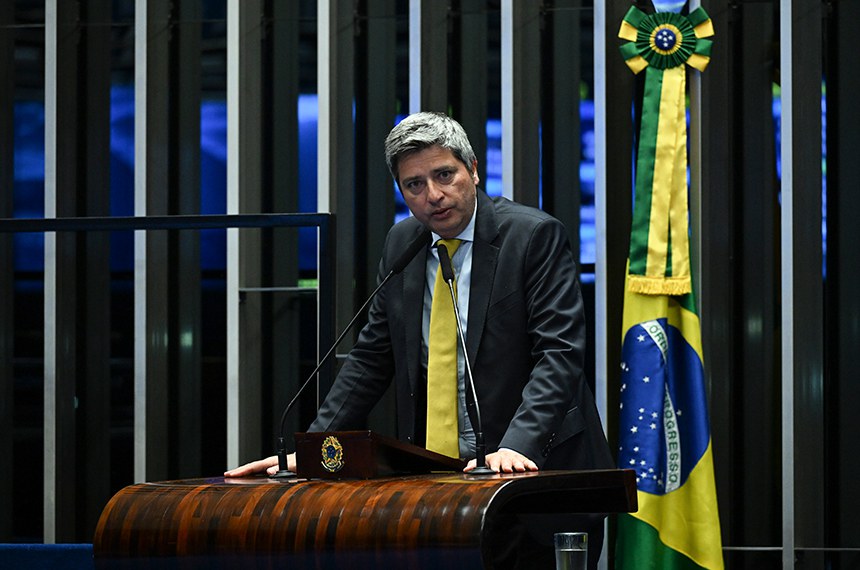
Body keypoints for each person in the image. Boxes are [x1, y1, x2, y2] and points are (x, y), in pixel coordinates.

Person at [226, 112, 613, 568]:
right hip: (441, 484)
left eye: (444, 175)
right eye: (413, 185)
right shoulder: (402, 243)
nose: (433, 196)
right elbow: (372, 357)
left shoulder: (532, 236)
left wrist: (518, 445)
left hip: (534, 473)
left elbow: (559, 353)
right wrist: (311, 452)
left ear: (473, 169)